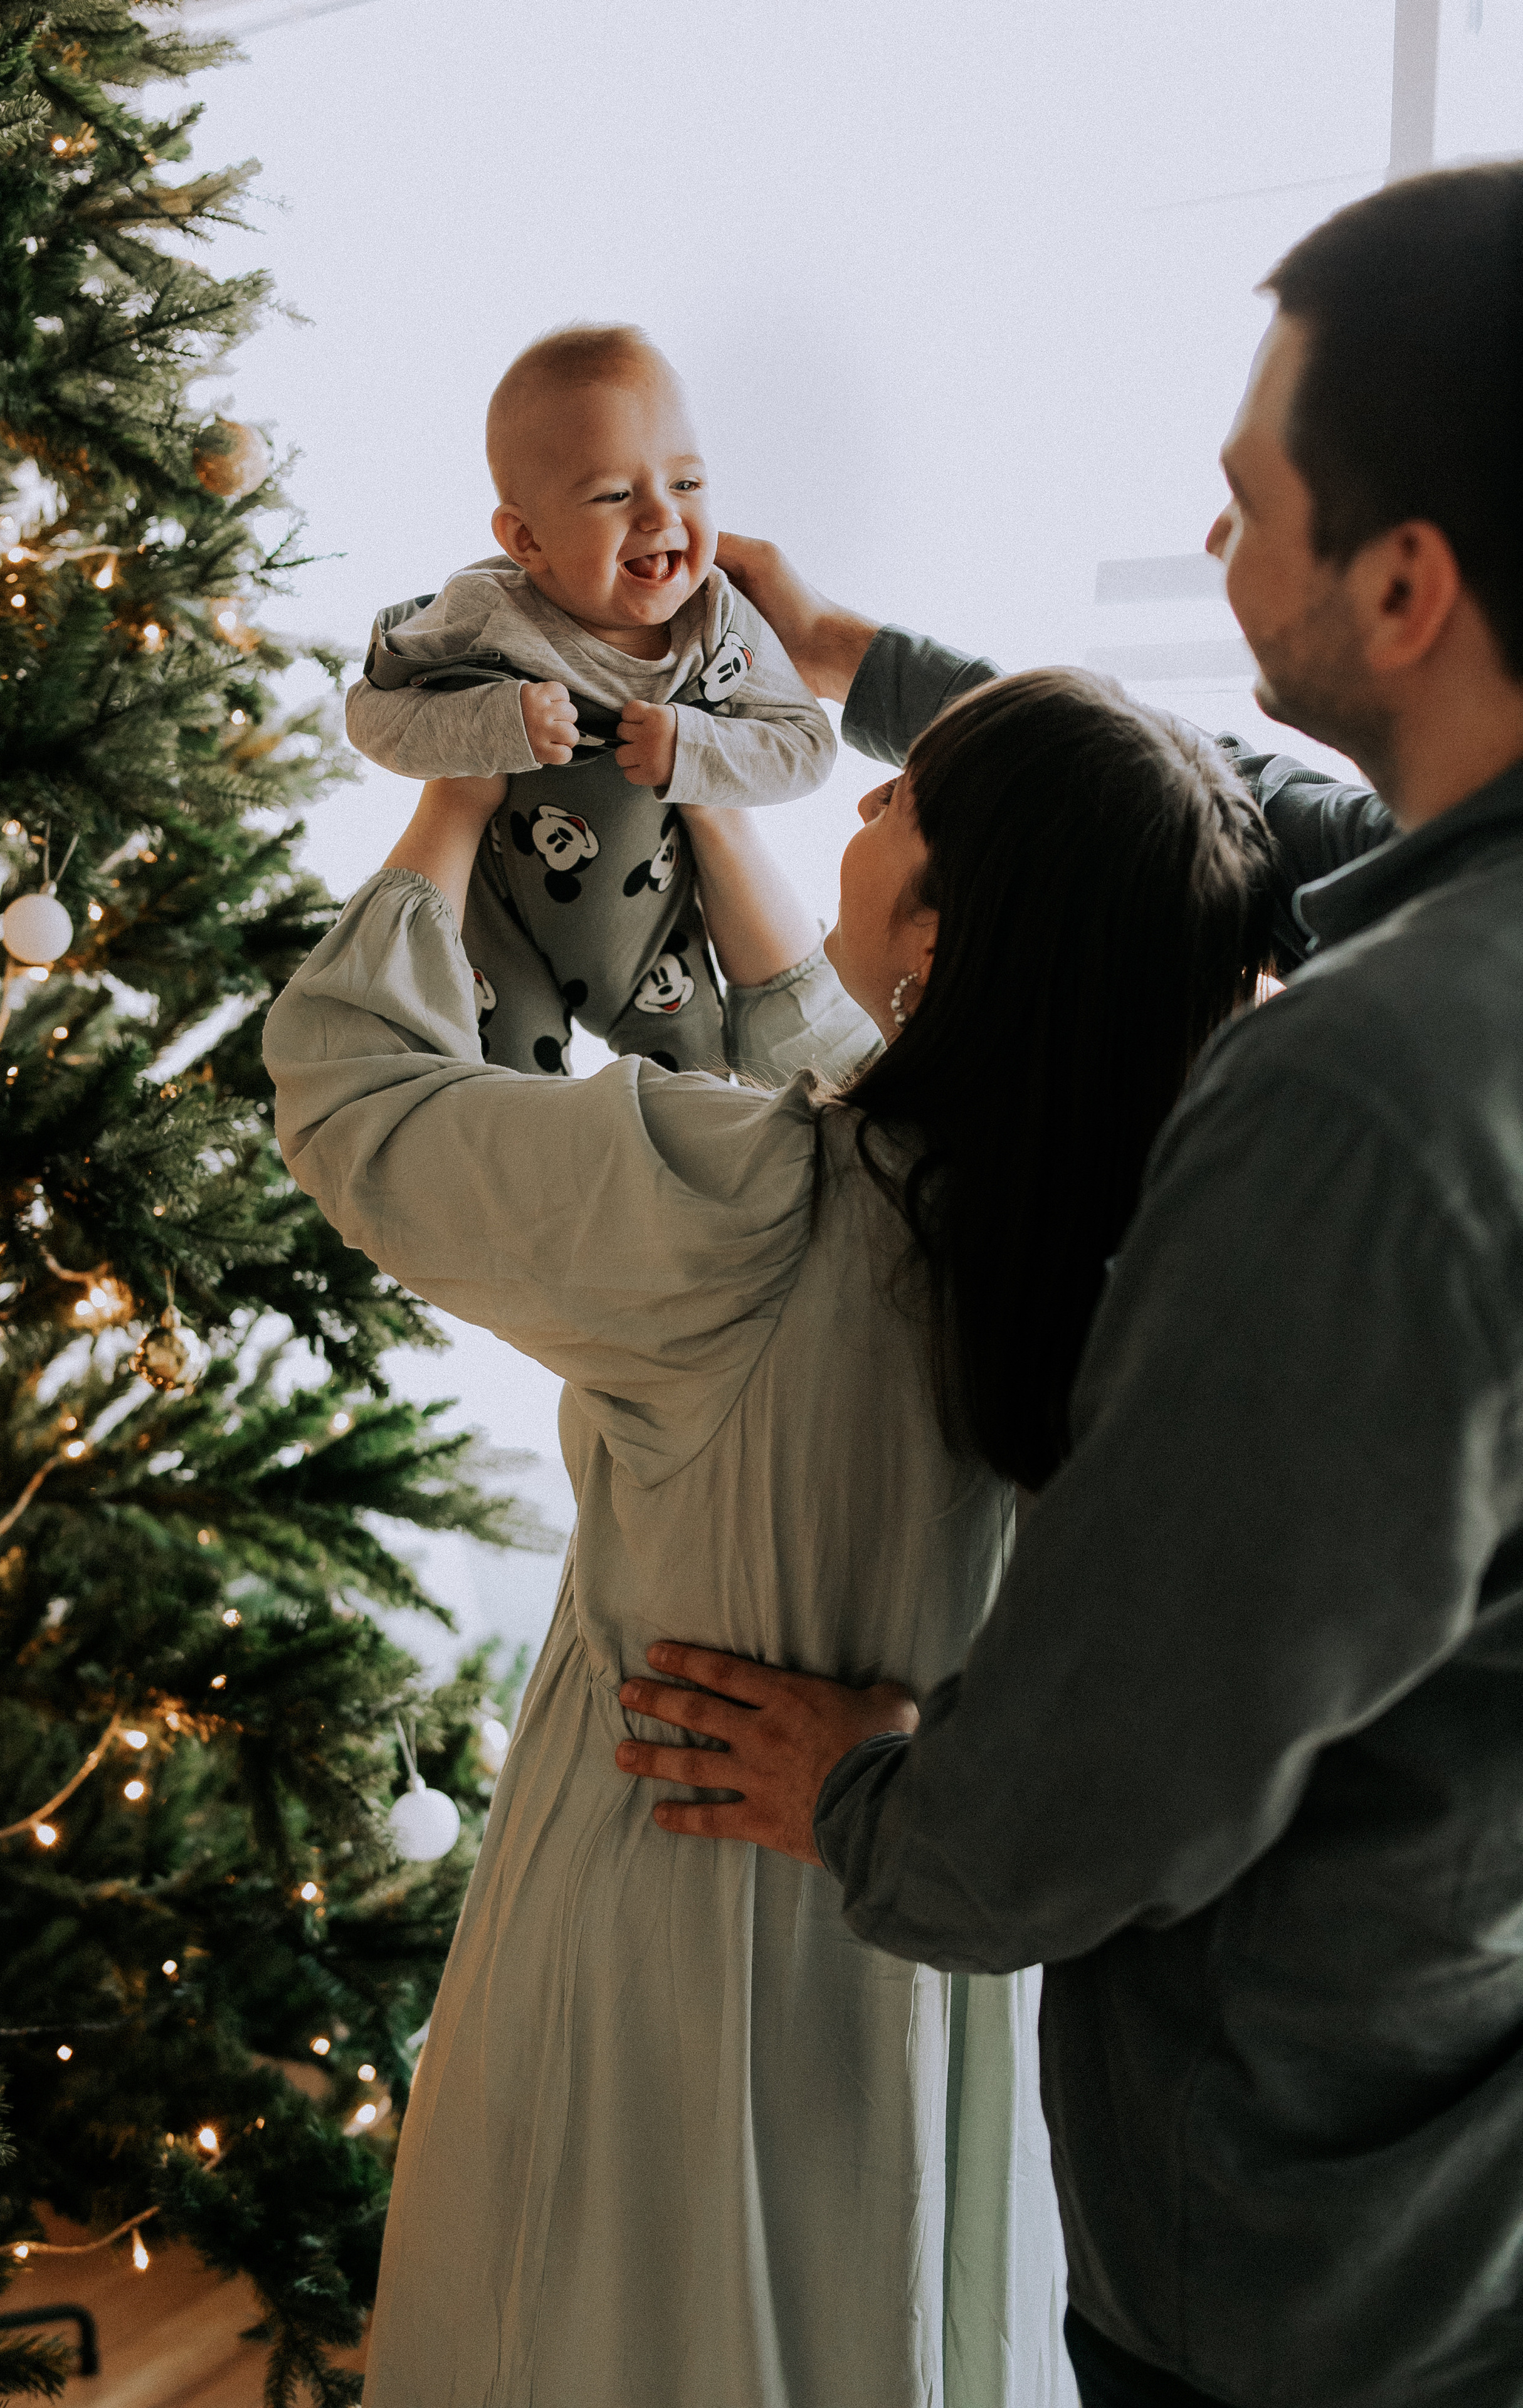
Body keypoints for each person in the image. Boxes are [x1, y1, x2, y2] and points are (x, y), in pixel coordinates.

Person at [616, 163, 1523, 2408]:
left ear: (1399, 582)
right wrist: (851, 663)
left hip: (1311, 2278)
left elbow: (1093, 1790)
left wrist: (875, 1800)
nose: (1210, 548)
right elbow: (1218, 807)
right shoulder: (1437, 933)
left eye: (1243, 506)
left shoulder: (1352, 1114)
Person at [263, 663, 1275, 2406]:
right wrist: (719, 818)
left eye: (899, 809)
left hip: (674, 1931)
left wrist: (442, 796)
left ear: (952, 942)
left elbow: (351, 1100)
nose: (859, 813)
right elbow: (870, 1112)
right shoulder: (1138, 1259)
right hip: (925, 1933)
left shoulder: (740, 1210)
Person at [343, 322, 835, 1076]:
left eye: (687, 483)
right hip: (500, 930)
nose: (660, 516)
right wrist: (491, 724)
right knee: (502, 1101)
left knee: (705, 1099)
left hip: (648, 936)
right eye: (613, 494)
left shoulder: (719, 623)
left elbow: (807, 748)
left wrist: (696, 749)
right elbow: (370, 714)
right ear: (526, 539)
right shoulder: (483, 613)